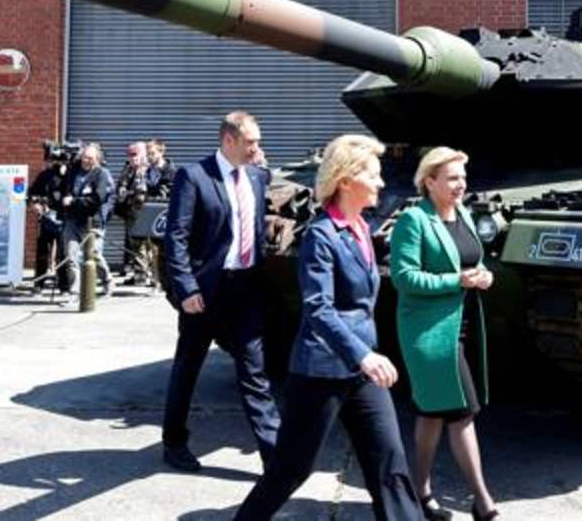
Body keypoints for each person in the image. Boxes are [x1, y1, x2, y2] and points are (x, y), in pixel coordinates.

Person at [235, 134, 419, 520]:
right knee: (292, 468)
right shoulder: (321, 235)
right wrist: (363, 354)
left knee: (389, 460)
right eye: (374, 174)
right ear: (346, 180)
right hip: (322, 370)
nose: (382, 183)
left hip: (361, 372)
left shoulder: (361, 227)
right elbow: (318, 308)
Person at [161, 111, 280, 473]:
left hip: (244, 289)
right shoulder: (194, 176)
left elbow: (256, 230)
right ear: (228, 140)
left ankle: (274, 455)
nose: (257, 149)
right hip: (205, 292)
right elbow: (176, 238)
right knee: (188, 367)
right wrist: (186, 289)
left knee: (255, 372)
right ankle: (174, 442)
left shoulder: (257, 177)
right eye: (250, 143)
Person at [390, 147, 500, 521]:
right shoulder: (414, 220)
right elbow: (403, 276)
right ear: (429, 181)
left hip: (463, 324)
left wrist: (484, 275)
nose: (461, 184)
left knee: (432, 413)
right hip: (429, 332)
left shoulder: (463, 213)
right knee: (462, 412)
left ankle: (417, 493)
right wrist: (457, 280)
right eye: (452, 178)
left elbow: (472, 258)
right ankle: (484, 505)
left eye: (462, 177)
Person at [59, 142, 115, 295]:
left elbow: (98, 198)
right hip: (72, 219)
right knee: (71, 256)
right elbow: (65, 190)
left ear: (97, 159)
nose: (85, 160)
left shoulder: (101, 174)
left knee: (93, 255)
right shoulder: (73, 172)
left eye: (90, 158)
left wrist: (74, 201)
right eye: (84, 157)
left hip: (92, 221)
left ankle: (107, 281)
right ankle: (74, 291)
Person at [29, 154, 71, 290]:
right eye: (53, 160)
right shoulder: (45, 175)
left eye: (59, 160)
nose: (55, 163)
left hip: (64, 218)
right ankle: (39, 283)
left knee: (63, 253)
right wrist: (35, 204)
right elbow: (32, 193)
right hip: (47, 218)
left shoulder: (70, 175)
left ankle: (64, 285)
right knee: (42, 252)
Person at [117, 142, 150, 280]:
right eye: (130, 155)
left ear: (143, 154)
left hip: (145, 212)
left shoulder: (147, 170)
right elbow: (121, 186)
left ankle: (145, 273)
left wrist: (128, 192)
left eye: (135, 154)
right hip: (130, 211)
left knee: (143, 244)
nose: (132, 158)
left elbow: (144, 190)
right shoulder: (128, 169)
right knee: (134, 243)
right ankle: (138, 272)